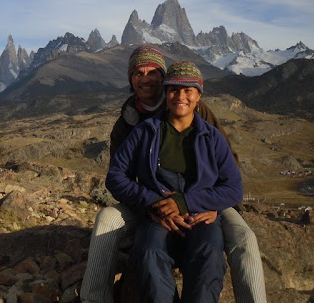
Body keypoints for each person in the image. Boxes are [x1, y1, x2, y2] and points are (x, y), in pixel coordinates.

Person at [80, 45, 266, 303]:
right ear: (131, 79)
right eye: (138, 73)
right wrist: (152, 205)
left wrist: (210, 204)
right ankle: (93, 298)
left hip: (205, 200)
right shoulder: (130, 124)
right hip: (151, 200)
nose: (145, 79)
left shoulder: (201, 117)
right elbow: (118, 175)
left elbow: (229, 173)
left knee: (243, 239)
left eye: (152, 72)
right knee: (110, 223)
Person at [106, 60, 242, 302]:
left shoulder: (212, 137)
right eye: (174, 90)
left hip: (201, 215)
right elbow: (116, 177)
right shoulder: (144, 132)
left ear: (198, 96)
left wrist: (185, 202)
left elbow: (233, 188)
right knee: (149, 254)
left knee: (209, 257)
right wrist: (153, 203)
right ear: (166, 93)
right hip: (157, 215)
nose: (181, 97)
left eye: (188, 90)